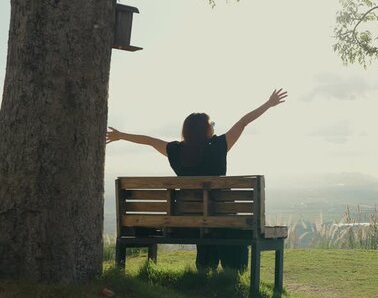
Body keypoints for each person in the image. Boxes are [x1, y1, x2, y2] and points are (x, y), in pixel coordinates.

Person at [106, 89, 288, 272]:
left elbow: (149, 140)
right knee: (225, 226)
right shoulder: (219, 146)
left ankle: (204, 268)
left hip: (187, 222)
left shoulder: (175, 151)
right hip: (220, 218)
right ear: (207, 130)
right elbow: (243, 122)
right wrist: (268, 104)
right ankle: (232, 272)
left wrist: (121, 135)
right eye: (212, 124)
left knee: (205, 223)